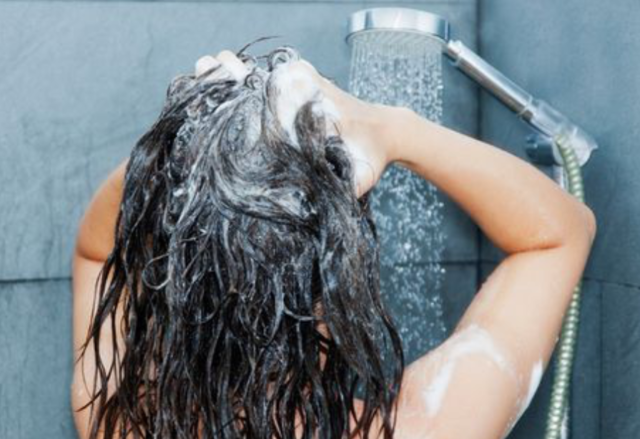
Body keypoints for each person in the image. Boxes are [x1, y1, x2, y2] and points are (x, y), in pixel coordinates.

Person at [70, 48, 596, 439]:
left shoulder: (119, 420)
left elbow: (96, 251)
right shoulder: (428, 427)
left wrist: (187, 143)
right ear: (338, 286)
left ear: (180, 287)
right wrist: (392, 130)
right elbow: (557, 236)